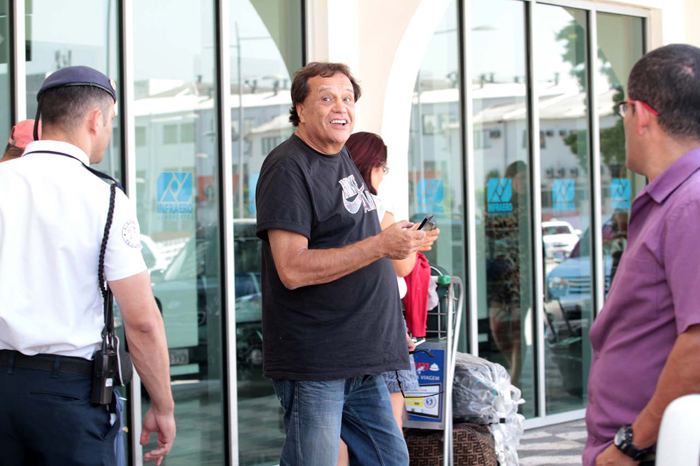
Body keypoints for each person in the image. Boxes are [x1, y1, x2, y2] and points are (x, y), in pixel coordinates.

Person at [0, 66, 175, 466]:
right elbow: (142, 320)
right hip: (67, 396)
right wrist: (162, 405)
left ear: (43, 120)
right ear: (96, 120)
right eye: (111, 121)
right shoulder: (105, 197)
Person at [255, 62, 426, 466]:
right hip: (318, 360)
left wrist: (388, 332)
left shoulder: (341, 157)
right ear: (299, 107)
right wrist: (381, 245)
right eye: (326, 97)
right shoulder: (287, 167)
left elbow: (354, 246)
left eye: (348, 98)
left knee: (390, 460)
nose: (341, 108)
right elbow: (292, 269)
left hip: (363, 357)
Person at [584, 44, 700, 466]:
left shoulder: (691, 203)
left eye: (624, 110)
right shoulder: (673, 200)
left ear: (643, 114)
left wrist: (630, 444)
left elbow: (698, 344)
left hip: (651, 450)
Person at [336, 132, 439, 465]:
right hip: (381, 325)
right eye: (384, 168)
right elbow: (401, 267)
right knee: (389, 430)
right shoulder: (378, 208)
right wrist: (414, 244)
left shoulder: (336, 208)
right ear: (374, 166)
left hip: (346, 328)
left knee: (336, 432)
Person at [485, 160, 530, 387]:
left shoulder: (530, 205)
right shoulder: (497, 203)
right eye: (520, 179)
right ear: (510, 180)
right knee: (499, 328)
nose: (524, 183)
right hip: (499, 276)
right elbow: (488, 231)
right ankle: (509, 369)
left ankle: (515, 379)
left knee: (517, 329)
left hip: (522, 276)